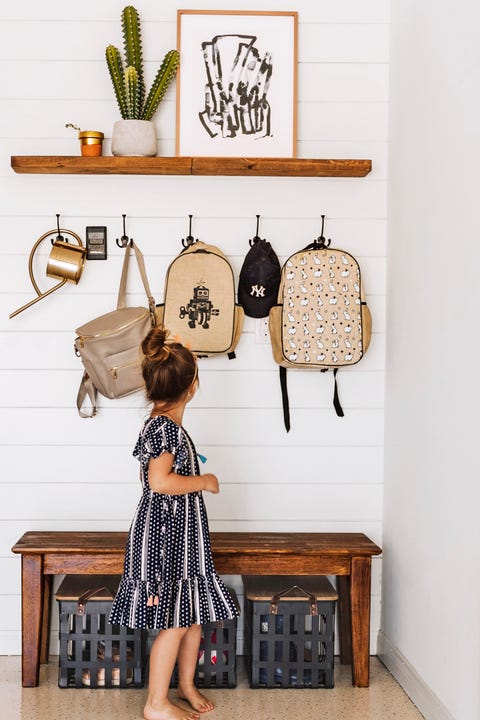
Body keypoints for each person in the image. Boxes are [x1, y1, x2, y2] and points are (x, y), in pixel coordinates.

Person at [109, 326, 239, 720]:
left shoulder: (166, 424)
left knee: (192, 615)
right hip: (165, 541)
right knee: (173, 622)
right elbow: (160, 481)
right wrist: (204, 481)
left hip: (181, 537)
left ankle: (184, 684)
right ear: (193, 386)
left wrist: (180, 349)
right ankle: (156, 703)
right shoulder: (164, 429)